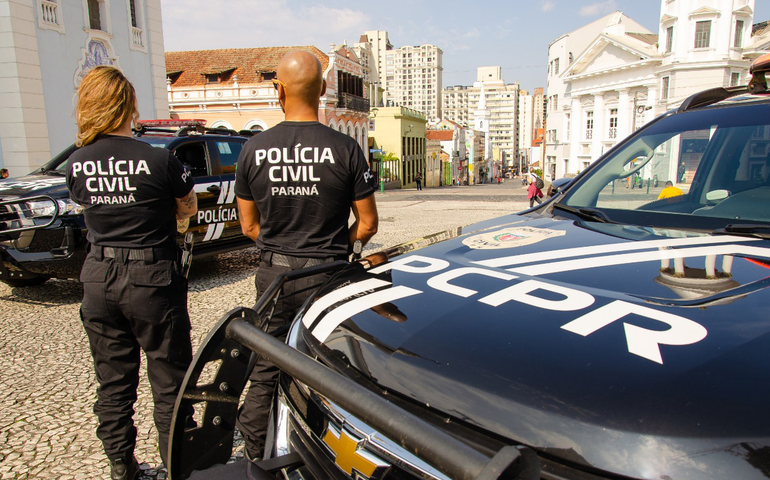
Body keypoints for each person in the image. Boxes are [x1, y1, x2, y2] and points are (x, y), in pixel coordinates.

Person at [233, 50, 379, 461]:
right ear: (323, 90)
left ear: (279, 89)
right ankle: (329, 451)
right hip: (328, 275)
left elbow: (248, 227)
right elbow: (367, 224)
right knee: (331, 365)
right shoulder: (346, 148)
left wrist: (282, 245)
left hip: (275, 277)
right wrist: (339, 251)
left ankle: (255, 450)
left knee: (267, 364)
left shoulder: (253, 149)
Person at [66, 66, 197, 480]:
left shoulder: (76, 163)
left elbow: (87, 206)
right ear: (130, 105)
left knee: (113, 382)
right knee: (170, 379)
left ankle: (121, 468)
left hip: (98, 275)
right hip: (151, 275)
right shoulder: (160, 158)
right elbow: (188, 209)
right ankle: (178, 466)